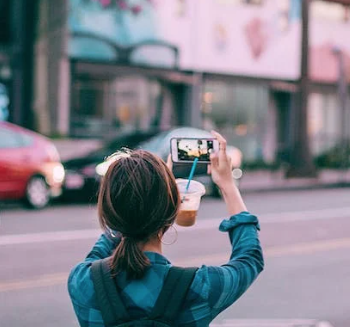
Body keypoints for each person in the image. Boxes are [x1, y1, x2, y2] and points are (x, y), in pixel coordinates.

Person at [67, 132, 263, 326]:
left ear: (108, 212)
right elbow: (249, 259)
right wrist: (228, 185)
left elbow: (106, 240)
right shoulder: (199, 287)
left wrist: (151, 194)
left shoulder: (83, 281)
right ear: (172, 210)